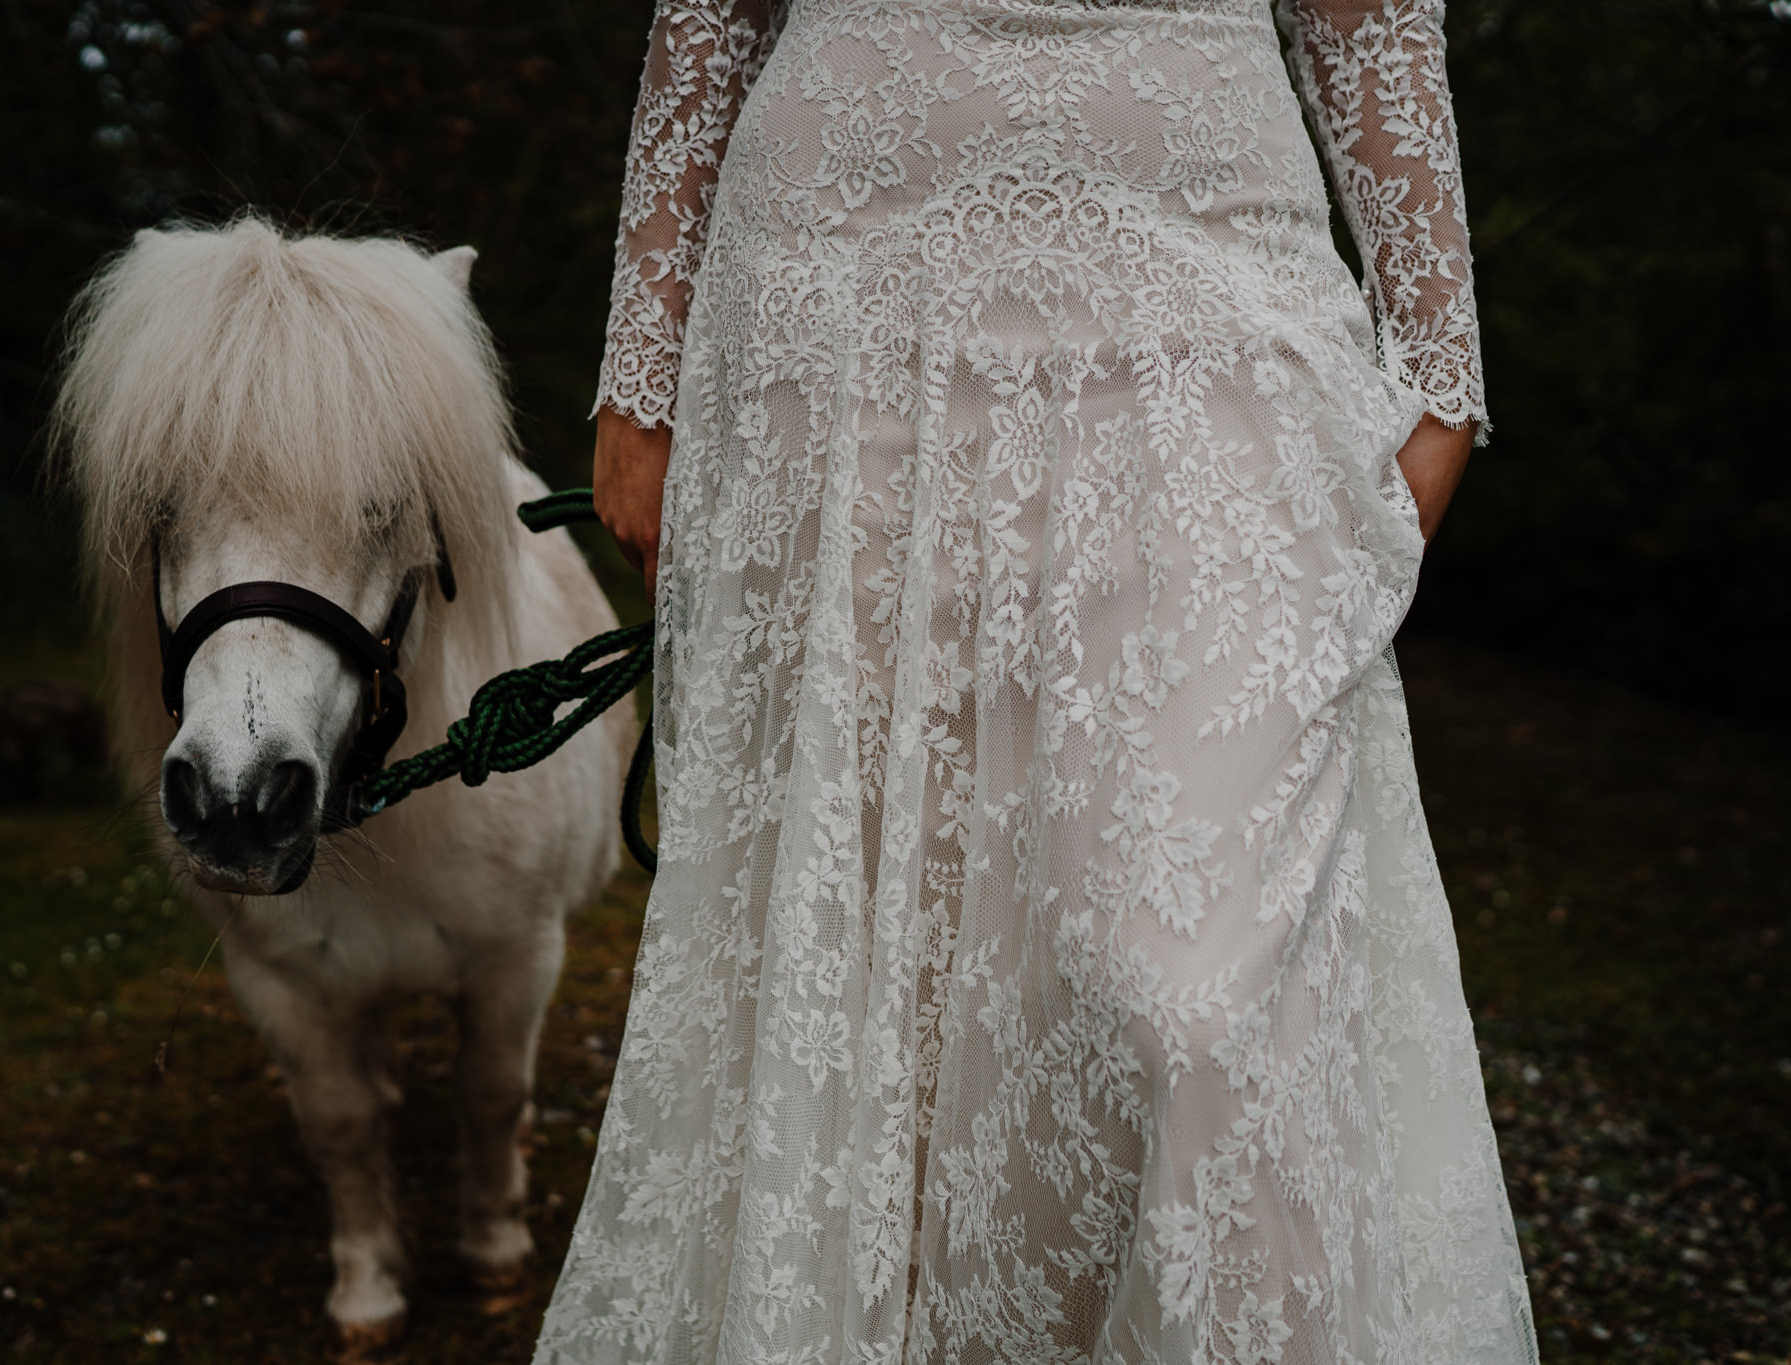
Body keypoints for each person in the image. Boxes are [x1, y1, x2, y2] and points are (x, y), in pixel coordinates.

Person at [541, 1, 1538, 1360]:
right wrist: (639, 375)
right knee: (881, 959)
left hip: (1211, 320)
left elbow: (1369, 27)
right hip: (842, 311)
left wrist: (1438, 377)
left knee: (1198, 996)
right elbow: (710, 17)